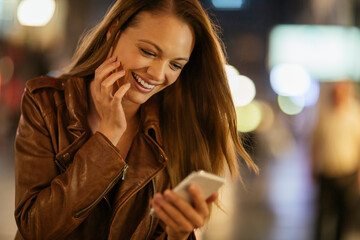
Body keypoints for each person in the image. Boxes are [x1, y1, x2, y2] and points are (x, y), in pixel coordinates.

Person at [14, 0, 258, 239]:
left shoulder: (179, 127)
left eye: (175, 65)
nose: (158, 74)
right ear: (114, 32)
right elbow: (34, 228)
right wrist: (107, 138)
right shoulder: (46, 104)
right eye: (148, 52)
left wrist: (179, 234)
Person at [311, 80, 360, 240]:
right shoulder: (323, 114)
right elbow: (315, 144)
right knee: (322, 217)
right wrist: (312, 167)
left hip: (348, 174)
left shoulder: (354, 115)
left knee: (344, 218)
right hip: (326, 173)